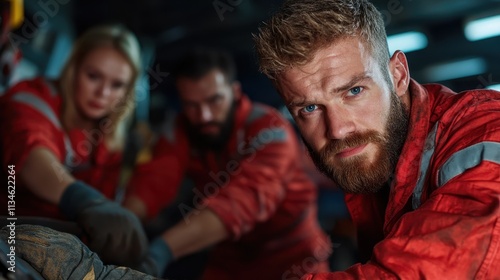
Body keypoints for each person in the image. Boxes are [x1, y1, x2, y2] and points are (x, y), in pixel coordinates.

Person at [252, 0, 500, 279]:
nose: (338, 130)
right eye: (309, 108)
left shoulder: (486, 127)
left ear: (398, 75)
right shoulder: (376, 166)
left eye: (354, 91)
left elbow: (438, 267)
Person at [122, 49, 332, 279]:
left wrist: (161, 251)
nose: (204, 116)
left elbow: (244, 199)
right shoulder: (181, 129)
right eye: (191, 105)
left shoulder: (271, 130)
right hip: (230, 260)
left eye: (214, 101)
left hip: (295, 259)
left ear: (234, 92)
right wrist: (123, 222)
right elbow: (155, 179)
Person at [0, 24, 148, 266]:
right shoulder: (31, 99)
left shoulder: (109, 138)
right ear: (73, 68)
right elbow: (31, 154)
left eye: (117, 85)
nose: (103, 92)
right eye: (93, 76)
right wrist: (83, 199)